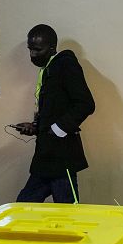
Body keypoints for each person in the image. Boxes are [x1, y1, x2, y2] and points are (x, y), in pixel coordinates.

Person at [13, 24, 95, 203]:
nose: (33, 55)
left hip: (62, 156)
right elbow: (54, 109)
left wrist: (58, 129)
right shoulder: (48, 69)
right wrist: (35, 126)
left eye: (37, 49)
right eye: (30, 49)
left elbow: (86, 104)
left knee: (66, 216)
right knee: (24, 207)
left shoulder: (65, 64)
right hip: (46, 156)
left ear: (52, 48)